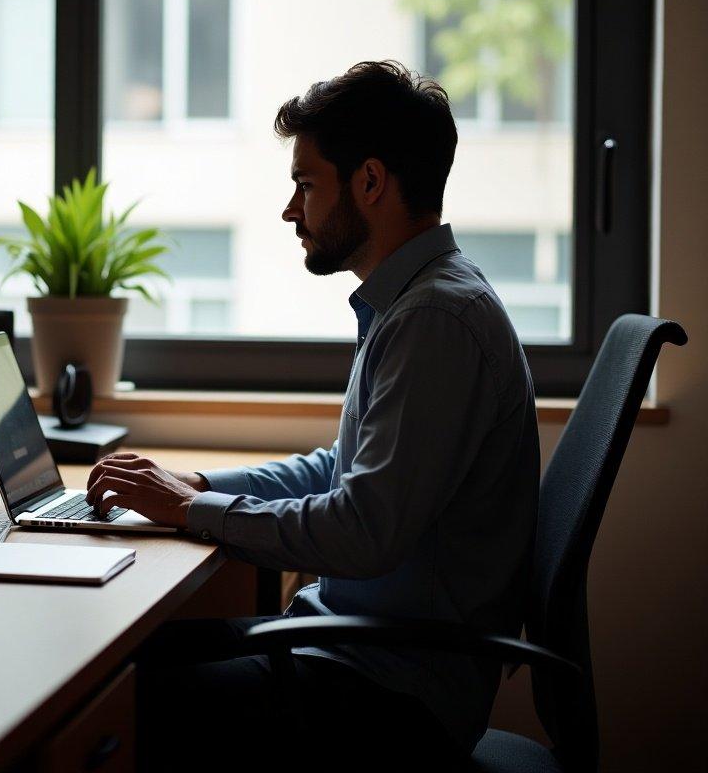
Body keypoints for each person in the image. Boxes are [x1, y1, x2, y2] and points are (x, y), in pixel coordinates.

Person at [86, 60, 539, 769]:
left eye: (304, 184)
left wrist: (192, 512)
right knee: (115, 664)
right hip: (357, 651)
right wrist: (199, 487)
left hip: (388, 694)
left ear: (370, 182)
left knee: (100, 711)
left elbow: (363, 530)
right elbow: (341, 470)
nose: (290, 210)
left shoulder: (436, 318)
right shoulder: (415, 301)